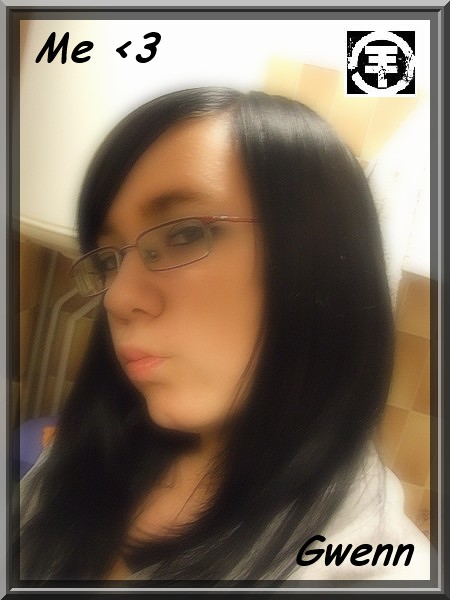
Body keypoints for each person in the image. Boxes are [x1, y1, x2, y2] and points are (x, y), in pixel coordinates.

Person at [16, 87, 431, 586]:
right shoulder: (84, 456)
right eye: (109, 259)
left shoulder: (376, 568)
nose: (117, 298)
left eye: (184, 233)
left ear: (319, 262)